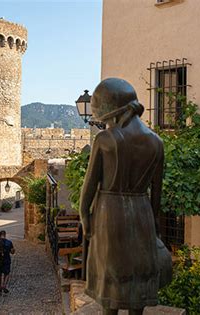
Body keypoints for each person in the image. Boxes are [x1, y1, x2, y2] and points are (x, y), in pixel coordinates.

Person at [80, 78, 168, 315]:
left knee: (111, 274)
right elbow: (156, 194)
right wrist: (155, 223)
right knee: (136, 274)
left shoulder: (106, 140)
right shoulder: (157, 143)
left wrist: (84, 217)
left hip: (110, 212)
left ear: (117, 113)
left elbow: (89, 186)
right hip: (142, 213)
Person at [0, 230, 15, 294]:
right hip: (6, 260)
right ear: (5, 235)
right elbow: (12, 252)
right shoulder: (9, 242)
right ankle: (4, 285)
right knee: (6, 273)